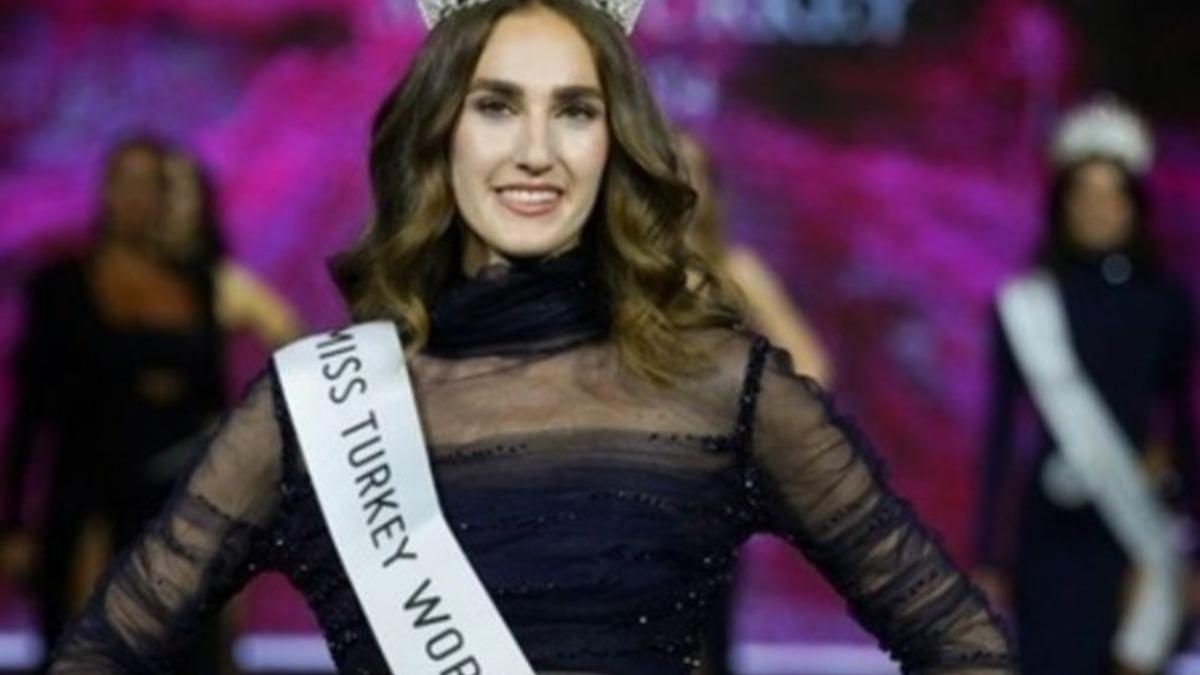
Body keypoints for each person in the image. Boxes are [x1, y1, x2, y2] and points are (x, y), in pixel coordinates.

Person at [51, 1, 1014, 673]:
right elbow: (104, 653)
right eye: (496, 105)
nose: (537, 152)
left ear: (615, 141)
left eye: (576, 111)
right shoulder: (319, 409)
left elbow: (962, 644)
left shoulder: (720, 386)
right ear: (439, 132)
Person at [975, 99, 1196, 675]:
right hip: (1051, 537)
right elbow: (999, 437)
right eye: (1085, 195)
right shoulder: (1027, 303)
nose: (1099, 210)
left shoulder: (1166, 303)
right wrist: (986, 553)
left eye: (1112, 195)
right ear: (1063, 204)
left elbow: (1185, 427)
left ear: (1134, 206)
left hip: (1139, 533)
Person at [2, 137, 228, 674]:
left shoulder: (197, 282)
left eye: (149, 183)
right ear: (103, 190)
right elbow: (32, 410)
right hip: (89, 500)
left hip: (175, 508)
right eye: (123, 181)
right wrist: (12, 521)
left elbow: (215, 401)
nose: (134, 196)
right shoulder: (60, 285)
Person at [675, 131, 833, 387]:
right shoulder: (623, 270)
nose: (681, 181)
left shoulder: (735, 268)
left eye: (692, 170)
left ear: (710, 186)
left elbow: (810, 364)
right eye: (668, 168)